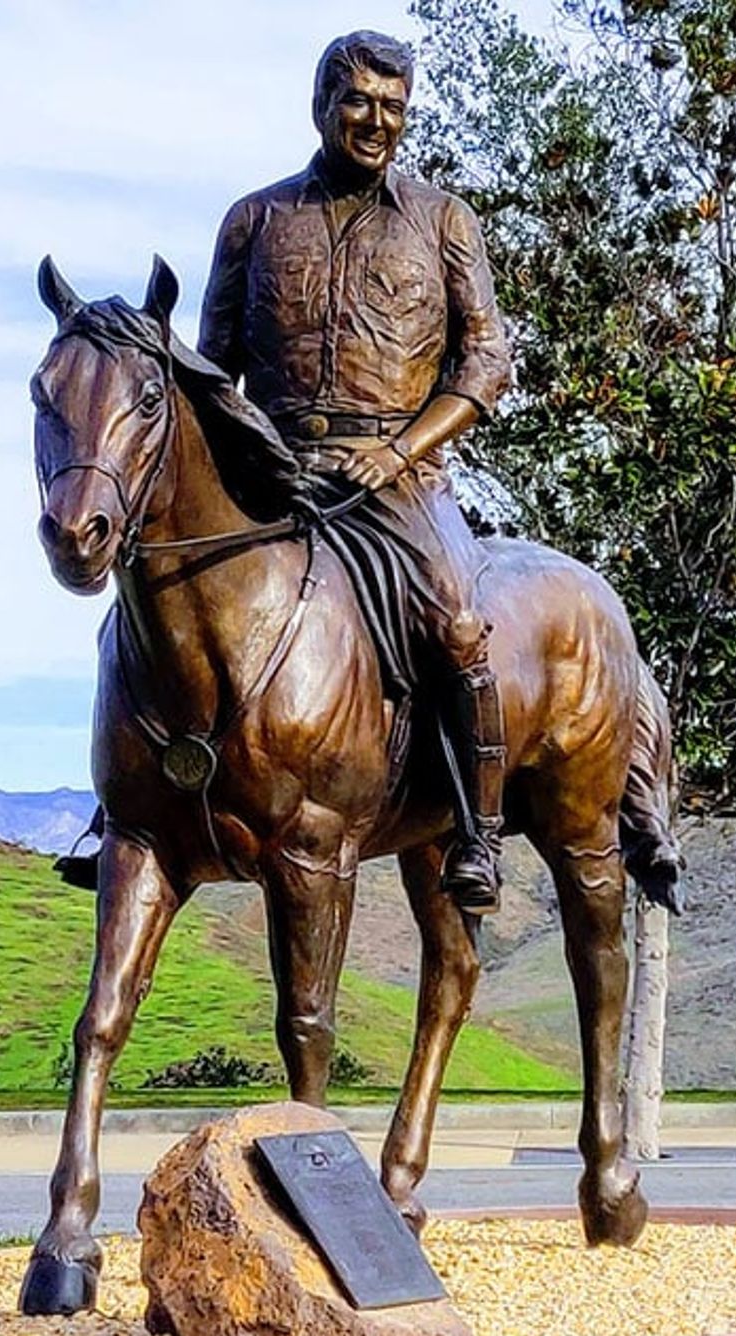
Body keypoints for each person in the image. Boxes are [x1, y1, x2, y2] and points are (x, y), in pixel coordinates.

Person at [199, 29, 513, 913]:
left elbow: (485, 361)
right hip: (274, 470)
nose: (377, 122)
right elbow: (213, 367)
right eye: (360, 102)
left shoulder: (443, 221)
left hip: (400, 477)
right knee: (167, 593)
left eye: (394, 108)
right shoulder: (255, 220)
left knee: (457, 624)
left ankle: (478, 831)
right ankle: (129, 804)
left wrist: (399, 451)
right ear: (322, 106)